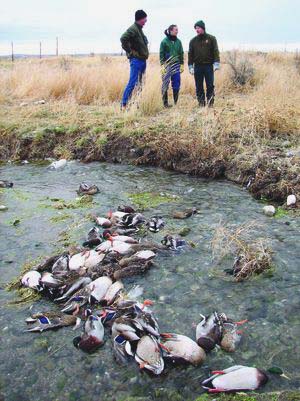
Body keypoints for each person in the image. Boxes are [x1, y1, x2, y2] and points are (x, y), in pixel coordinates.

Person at [120, 10, 149, 108]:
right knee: (132, 82)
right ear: (140, 19)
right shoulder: (133, 29)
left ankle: (136, 103)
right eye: (145, 19)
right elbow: (123, 38)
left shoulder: (139, 29)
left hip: (142, 60)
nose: (146, 21)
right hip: (136, 61)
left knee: (141, 83)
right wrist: (130, 52)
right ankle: (124, 105)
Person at [188, 20, 220, 107]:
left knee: (210, 85)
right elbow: (190, 54)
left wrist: (216, 63)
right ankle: (201, 103)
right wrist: (190, 66)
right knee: (199, 86)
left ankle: (210, 103)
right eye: (195, 28)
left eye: (198, 28)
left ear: (203, 28)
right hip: (197, 67)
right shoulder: (193, 41)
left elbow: (216, 51)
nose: (197, 30)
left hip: (208, 66)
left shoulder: (211, 38)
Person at [159, 24, 184, 108]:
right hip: (167, 65)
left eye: (177, 29)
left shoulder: (178, 41)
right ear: (170, 31)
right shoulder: (164, 41)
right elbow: (161, 54)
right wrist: (162, 65)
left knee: (176, 83)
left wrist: (182, 64)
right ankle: (165, 104)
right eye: (176, 30)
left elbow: (181, 53)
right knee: (165, 83)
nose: (177, 31)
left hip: (176, 65)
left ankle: (175, 103)